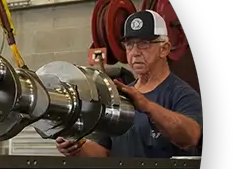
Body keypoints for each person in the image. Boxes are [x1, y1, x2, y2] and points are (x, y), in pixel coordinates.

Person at [56, 9, 203, 159]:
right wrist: (78, 147)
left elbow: (191, 137)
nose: (135, 52)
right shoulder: (119, 96)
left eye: (144, 44)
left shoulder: (182, 94)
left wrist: (148, 107)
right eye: (129, 45)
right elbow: (105, 151)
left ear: (164, 49)